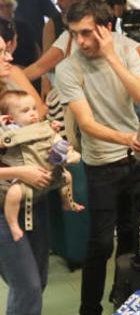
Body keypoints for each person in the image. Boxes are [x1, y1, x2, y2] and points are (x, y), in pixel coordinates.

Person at [54, 0, 140, 315]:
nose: (79, 41)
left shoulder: (125, 50)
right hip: (102, 165)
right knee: (99, 246)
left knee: (131, 234)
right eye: (74, 33)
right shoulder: (68, 69)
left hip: (135, 162)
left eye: (86, 33)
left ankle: (123, 304)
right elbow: (88, 125)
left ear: (104, 29)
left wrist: (112, 55)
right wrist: (126, 138)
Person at [0, 34, 64, 315]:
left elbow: (32, 124)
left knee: (38, 278)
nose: (8, 54)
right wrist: (17, 174)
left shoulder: (12, 87)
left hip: (34, 200)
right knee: (24, 283)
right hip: (5, 203)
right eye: (1, 52)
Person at [0, 90, 83, 242]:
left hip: (47, 172)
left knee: (68, 177)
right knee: (14, 193)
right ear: (10, 119)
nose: (33, 113)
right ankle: (12, 223)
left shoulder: (39, 126)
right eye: (26, 111)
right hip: (20, 177)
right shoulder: (11, 129)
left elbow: (49, 134)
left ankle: (68, 203)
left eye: (34, 109)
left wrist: (53, 129)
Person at [0, 0, 40, 69]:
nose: (4, 9)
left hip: (28, 68)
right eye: (0, 6)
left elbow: (35, 48)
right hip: (5, 69)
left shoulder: (24, 26)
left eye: (7, 5)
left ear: (12, 7)